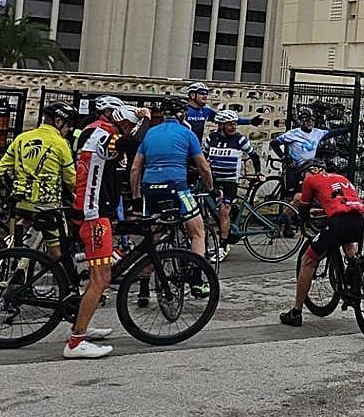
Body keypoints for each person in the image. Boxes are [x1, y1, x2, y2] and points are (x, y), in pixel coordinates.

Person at [67, 104, 141, 359]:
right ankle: (76, 342)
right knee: (101, 279)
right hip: (94, 214)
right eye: (129, 125)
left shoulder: (93, 129)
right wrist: (144, 121)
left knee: (101, 270)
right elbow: (129, 145)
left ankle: (82, 325)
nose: (131, 129)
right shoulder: (107, 134)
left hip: (92, 209)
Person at [130, 98, 214, 282]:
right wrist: (211, 189)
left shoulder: (150, 133)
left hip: (149, 188)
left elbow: (135, 168)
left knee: (152, 238)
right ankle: (197, 279)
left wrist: (136, 196)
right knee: (198, 232)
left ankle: (143, 288)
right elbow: (204, 167)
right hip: (176, 187)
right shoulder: (186, 133)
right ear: (181, 114)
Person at [279, 159, 364, 326]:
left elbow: (303, 208)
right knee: (349, 247)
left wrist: (303, 221)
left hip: (337, 223)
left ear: (309, 171)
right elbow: (341, 202)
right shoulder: (341, 178)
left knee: (308, 261)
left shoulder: (310, 179)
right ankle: (353, 281)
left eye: (302, 175)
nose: (301, 180)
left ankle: (296, 312)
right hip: (359, 220)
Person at [0, 101, 78, 257]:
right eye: (68, 125)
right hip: (48, 205)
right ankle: (60, 278)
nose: (69, 130)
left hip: (20, 202)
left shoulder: (22, 138)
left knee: (17, 237)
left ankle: (14, 264)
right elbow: (71, 179)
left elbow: (2, 170)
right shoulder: (60, 143)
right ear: (58, 121)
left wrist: (17, 186)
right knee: (58, 247)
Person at [204, 109, 263, 262]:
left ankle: (223, 246)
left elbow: (254, 155)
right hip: (214, 180)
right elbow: (203, 157)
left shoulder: (240, 139)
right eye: (229, 124)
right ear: (221, 125)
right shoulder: (212, 138)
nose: (233, 127)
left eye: (235, 124)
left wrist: (258, 172)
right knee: (213, 211)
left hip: (230, 181)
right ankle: (233, 215)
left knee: (224, 211)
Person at [269, 107, 351, 196]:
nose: (310, 123)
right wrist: (284, 157)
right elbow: (274, 143)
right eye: (307, 120)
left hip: (308, 166)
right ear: (301, 122)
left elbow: (333, 132)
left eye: (312, 120)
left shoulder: (317, 133)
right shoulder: (293, 134)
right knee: (291, 192)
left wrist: (349, 128)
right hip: (294, 166)